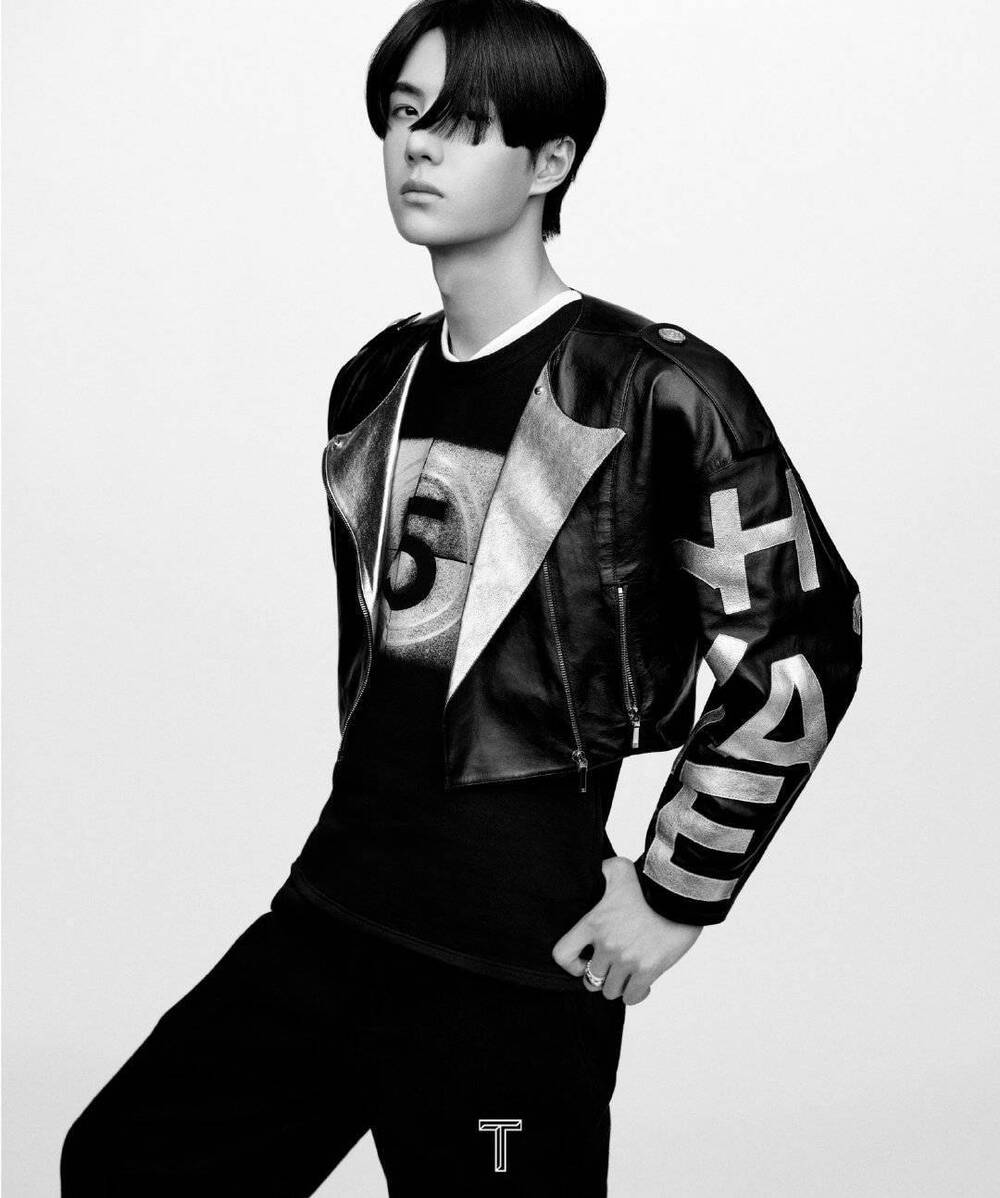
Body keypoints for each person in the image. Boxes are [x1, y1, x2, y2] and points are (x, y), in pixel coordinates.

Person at [60, 1, 863, 1194]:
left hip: (512, 961)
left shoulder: (657, 391)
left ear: (550, 162)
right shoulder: (376, 380)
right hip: (336, 906)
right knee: (128, 1160)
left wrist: (678, 890)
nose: (418, 147)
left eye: (464, 123)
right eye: (403, 115)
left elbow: (799, 634)